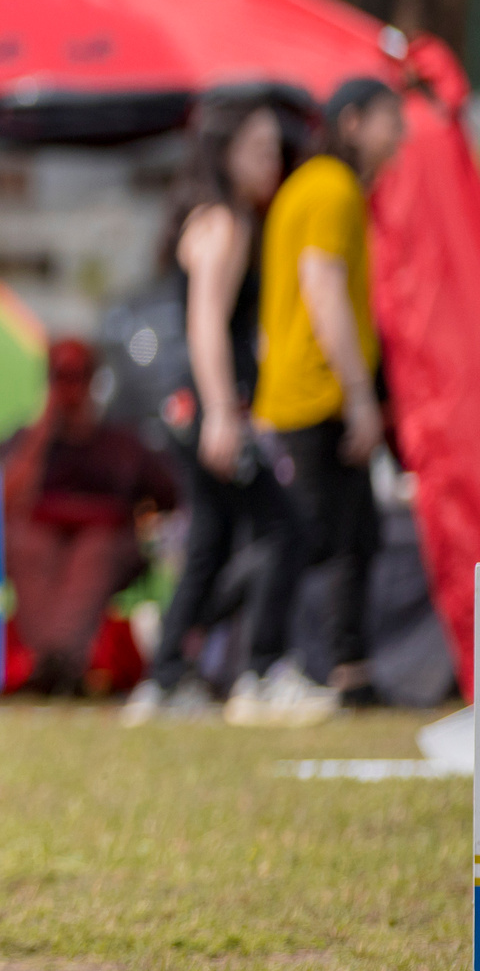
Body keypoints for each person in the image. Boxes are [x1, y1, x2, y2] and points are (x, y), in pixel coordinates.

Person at [229, 76, 406, 724]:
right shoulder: (332, 189)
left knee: (351, 534)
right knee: (303, 539)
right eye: (392, 121)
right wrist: (360, 397)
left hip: (301, 388)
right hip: (317, 395)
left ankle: (345, 671)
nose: (402, 137)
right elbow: (322, 289)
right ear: (353, 122)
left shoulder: (304, 187)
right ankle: (252, 663)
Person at [123, 94, 297, 725]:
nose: (272, 161)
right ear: (224, 154)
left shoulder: (225, 216)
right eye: (259, 149)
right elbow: (204, 326)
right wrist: (223, 412)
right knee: (284, 527)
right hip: (201, 405)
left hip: (192, 405)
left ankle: (167, 673)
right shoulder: (224, 221)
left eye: (276, 149)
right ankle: (262, 672)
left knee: (212, 538)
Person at [0, 339, 179, 695]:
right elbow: (4, 499)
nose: (69, 389)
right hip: (42, 537)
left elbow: (169, 496)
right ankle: (53, 658)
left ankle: (59, 658)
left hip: (105, 539)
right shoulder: (26, 441)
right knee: (32, 546)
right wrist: (45, 428)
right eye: (60, 377)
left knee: (92, 553)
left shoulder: (121, 445)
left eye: (77, 377)